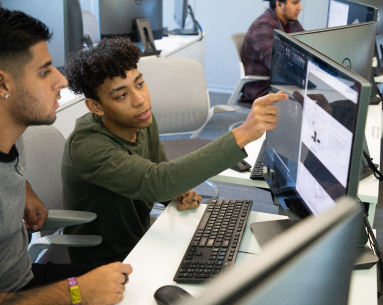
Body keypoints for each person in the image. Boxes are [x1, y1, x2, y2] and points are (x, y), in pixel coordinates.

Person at [61, 37, 289, 268]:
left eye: (139, 84)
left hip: (142, 241)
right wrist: (243, 133)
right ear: (96, 106)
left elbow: (159, 174)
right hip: (107, 266)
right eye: (122, 95)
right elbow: (158, 181)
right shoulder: (88, 146)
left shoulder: (142, 121)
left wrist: (174, 193)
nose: (140, 100)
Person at [0, 8, 132, 304]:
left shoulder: (11, 133)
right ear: (3, 84)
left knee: (137, 285)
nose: (61, 80)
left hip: (25, 277)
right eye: (45, 71)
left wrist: (25, 190)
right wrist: (77, 293)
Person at [239, 0, 304, 107]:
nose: (300, 7)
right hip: (263, 88)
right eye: (294, 2)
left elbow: (305, 48)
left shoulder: (291, 21)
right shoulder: (263, 25)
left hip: (283, 81)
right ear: (279, 4)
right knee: (312, 100)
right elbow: (275, 64)